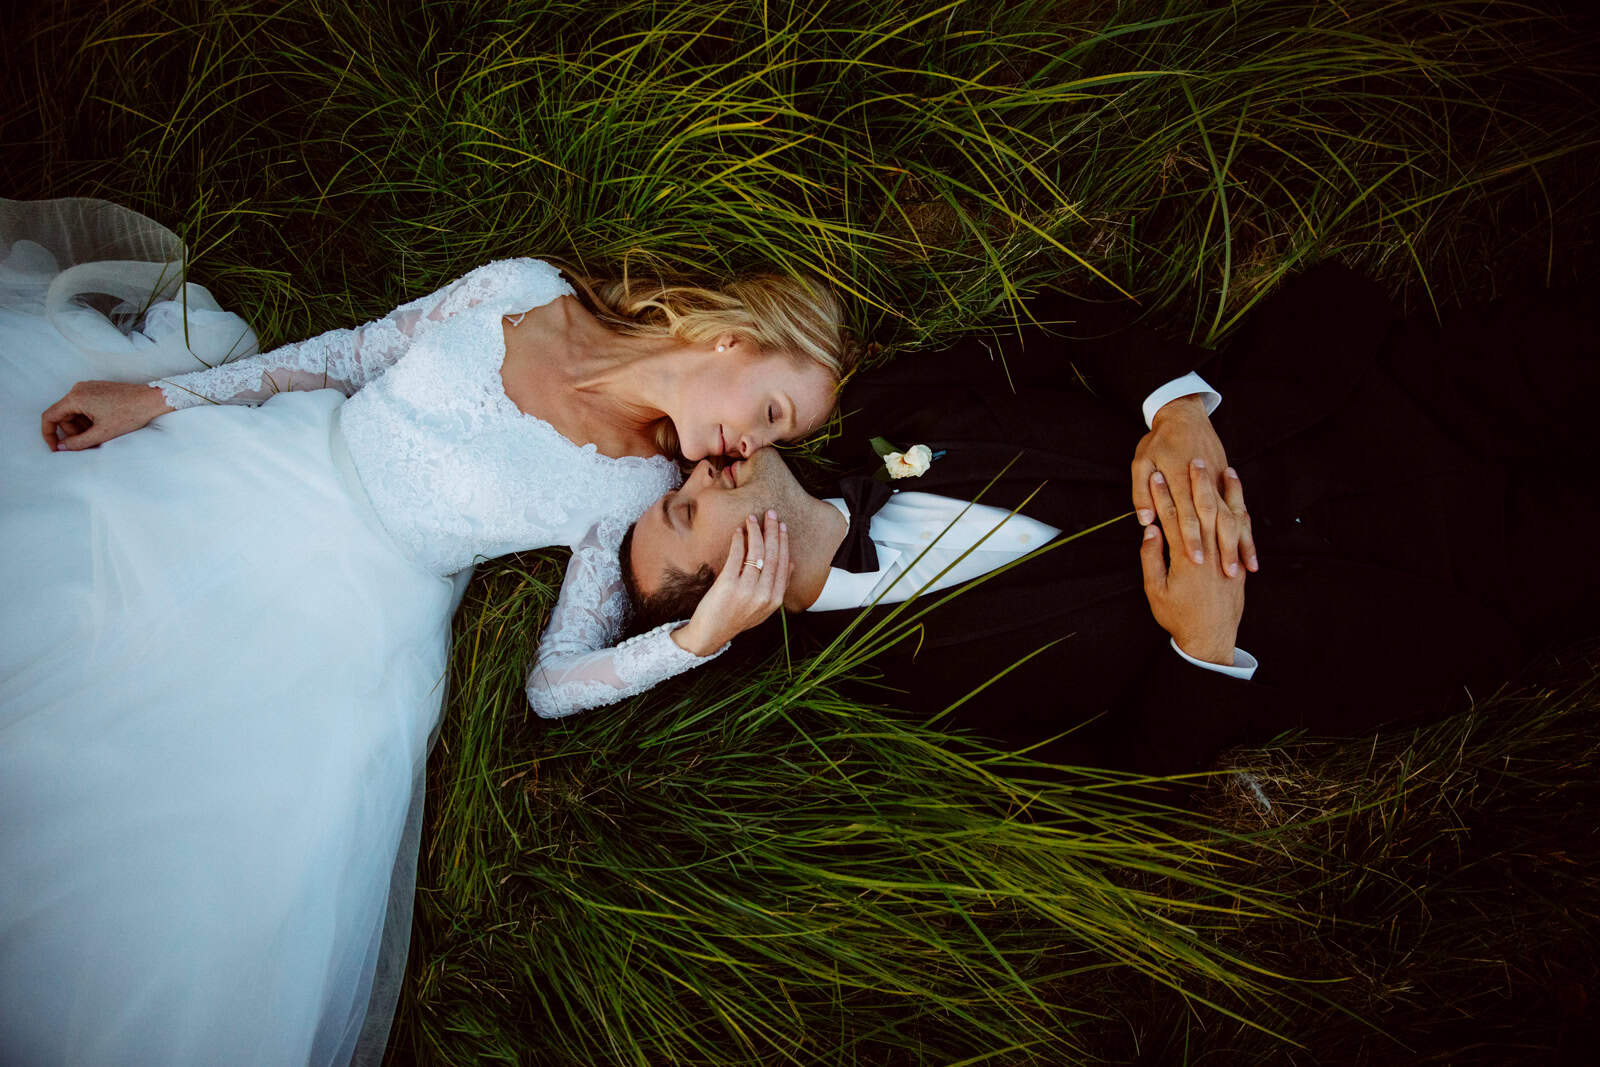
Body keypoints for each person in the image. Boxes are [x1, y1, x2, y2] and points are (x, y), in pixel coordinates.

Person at [0, 197, 850, 1065]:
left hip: (356, 602)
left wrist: (691, 639)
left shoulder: (633, 488)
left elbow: (552, 681)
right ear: (732, 339)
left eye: (778, 435)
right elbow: (347, 355)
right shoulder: (522, 287)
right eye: (773, 413)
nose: (748, 446)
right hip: (270, 460)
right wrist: (159, 396)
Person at [533, 263, 1599, 774]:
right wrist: (1201, 647)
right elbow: (1133, 767)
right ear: (730, 596)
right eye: (685, 510)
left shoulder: (897, 410)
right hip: (1409, 592)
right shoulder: (910, 699)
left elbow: (1071, 314)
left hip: (1373, 397)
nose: (705, 464)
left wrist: (1173, 407)